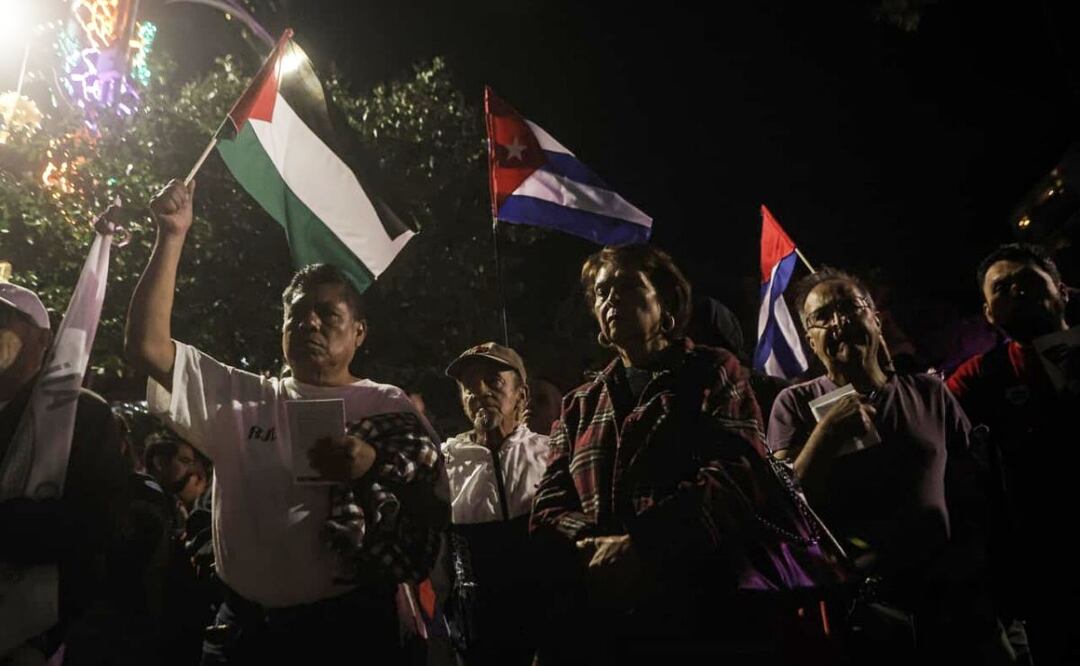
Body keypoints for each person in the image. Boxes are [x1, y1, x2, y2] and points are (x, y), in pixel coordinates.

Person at [125, 179, 449, 665]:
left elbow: (434, 505)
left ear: (359, 332)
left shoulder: (387, 406)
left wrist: (372, 463)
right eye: (297, 315)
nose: (310, 323)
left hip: (348, 635)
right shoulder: (241, 398)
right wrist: (171, 235)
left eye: (327, 314)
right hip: (242, 637)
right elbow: (146, 348)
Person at [529, 244, 823, 665]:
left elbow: (738, 472)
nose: (610, 299)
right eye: (601, 292)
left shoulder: (711, 371)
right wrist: (596, 547)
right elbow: (548, 506)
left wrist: (643, 544)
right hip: (605, 615)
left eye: (626, 286)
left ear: (666, 300)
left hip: (699, 608)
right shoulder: (580, 404)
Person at [768, 267, 1002, 662]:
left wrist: (975, 565)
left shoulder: (928, 392)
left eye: (849, 308)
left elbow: (972, 484)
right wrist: (826, 435)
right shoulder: (793, 405)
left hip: (954, 598)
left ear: (876, 320)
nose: (839, 322)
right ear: (810, 340)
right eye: (822, 317)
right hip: (868, 613)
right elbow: (785, 509)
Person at [946, 243, 1078, 663]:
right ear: (988, 313)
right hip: (1046, 565)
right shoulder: (979, 375)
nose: (1016, 291)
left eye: (1027, 281)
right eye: (1001, 288)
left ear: (1062, 290)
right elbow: (932, 419)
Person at [0, 282, 137, 664]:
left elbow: (99, 521)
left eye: (3, 318)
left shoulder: (82, 415)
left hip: (42, 638)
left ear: (43, 339)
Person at [437, 342, 549, 666]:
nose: (480, 391)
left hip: (546, 625)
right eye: (468, 386)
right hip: (477, 634)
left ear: (522, 395)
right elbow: (441, 562)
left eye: (493, 381)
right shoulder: (444, 464)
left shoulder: (551, 454)